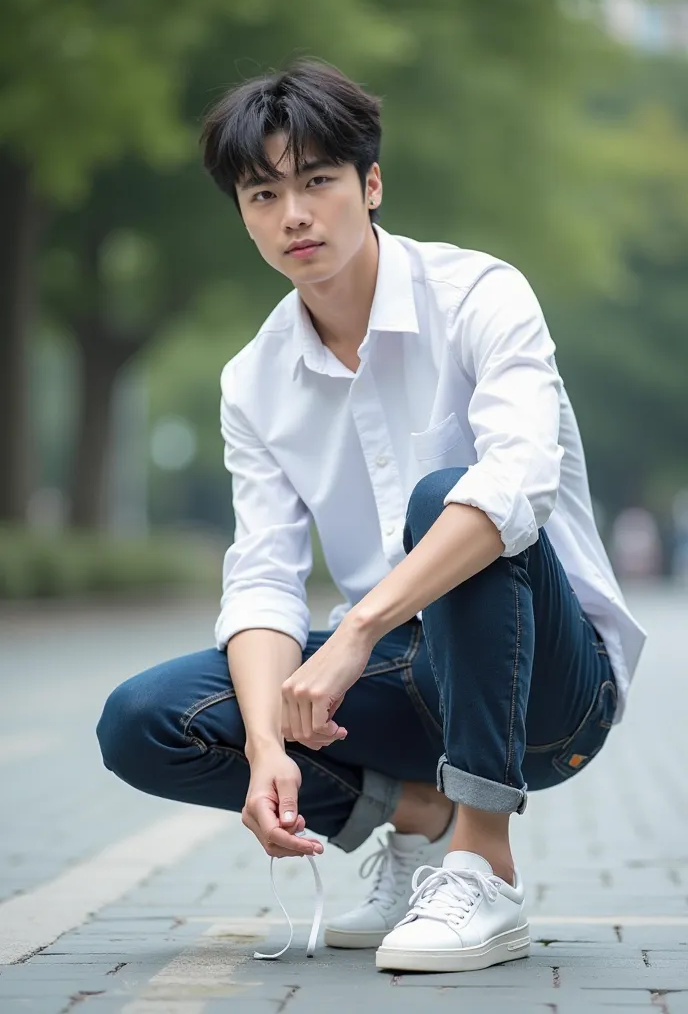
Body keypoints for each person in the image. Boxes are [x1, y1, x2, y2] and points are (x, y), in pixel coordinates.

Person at [96, 59, 646, 974]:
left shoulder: (481, 296)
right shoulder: (254, 380)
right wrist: (269, 742)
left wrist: (354, 631)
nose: (294, 216)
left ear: (371, 183)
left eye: (317, 181)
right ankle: (418, 822)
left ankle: (485, 863)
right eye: (263, 193)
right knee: (146, 719)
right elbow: (264, 579)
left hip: (554, 694)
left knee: (453, 498)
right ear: (242, 212)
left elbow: (515, 491)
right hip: (411, 679)